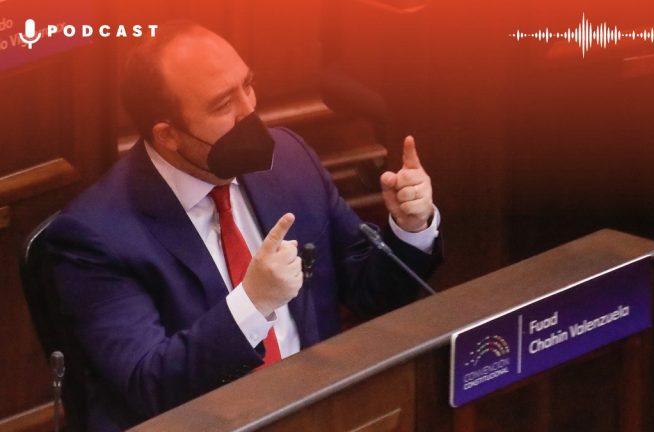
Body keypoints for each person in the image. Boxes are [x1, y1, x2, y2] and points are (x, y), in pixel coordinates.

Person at [45, 21, 442, 431]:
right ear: (168, 135)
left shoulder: (287, 160)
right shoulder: (95, 236)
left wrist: (410, 228)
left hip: (317, 413)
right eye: (222, 105)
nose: (249, 111)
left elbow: (369, 293)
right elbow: (151, 387)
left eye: (247, 85)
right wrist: (252, 304)